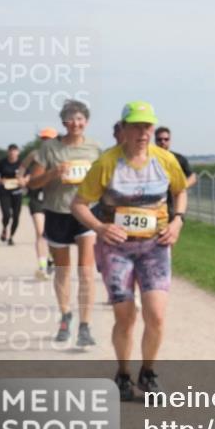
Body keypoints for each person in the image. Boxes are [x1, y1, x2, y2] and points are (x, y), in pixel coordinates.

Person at [70, 101, 187, 401]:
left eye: (147, 126)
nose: (143, 132)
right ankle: (123, 373)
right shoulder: (107, 163)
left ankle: (147, 373)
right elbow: (78, 204)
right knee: (125, 317)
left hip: (155, 247)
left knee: (156, 316)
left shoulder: (165, 160)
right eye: (135, 126)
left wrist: (177, 221)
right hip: (116, 250)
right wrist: (100, 227)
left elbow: (180, 191)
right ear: (122, 129)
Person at [27, 100, 102, 347]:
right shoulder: (49, 148)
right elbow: (33, 183)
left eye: (80, 119)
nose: (76, 123)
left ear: (86, 122)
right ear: (63, 122)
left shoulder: (94, 148)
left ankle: (85, 325)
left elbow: (103, 179)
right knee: (63, 269)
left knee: (86, 271)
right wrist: (53, 174)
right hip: (57, 212)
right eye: (70, 119)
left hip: (85, 212)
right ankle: (65, 315)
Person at [21, 128, 58, 279]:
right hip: (36, 198)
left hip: (55, 199)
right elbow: (22, 168)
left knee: (54, 235)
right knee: (40, 232)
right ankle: (42, 268)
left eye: (49, 138)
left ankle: (51, 260)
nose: (46, 141)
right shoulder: (34, 154)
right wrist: (21, 179)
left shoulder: (61, 155)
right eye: (43, 138)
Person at [154, 126, 196, 216]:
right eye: (159, 139)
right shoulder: (149, 157)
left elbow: (192, 177)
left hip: (172, 204)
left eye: (166, 139)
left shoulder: (178, 158)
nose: (163, 142)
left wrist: (180, 188)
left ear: (170, 140)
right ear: (155, 140)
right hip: (153, 203)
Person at [0, 144, 26, 245]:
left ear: (18, 152)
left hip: (17, 191)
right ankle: (4, 228)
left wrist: (23, 180)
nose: (12, 152)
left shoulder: (22, 164)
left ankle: (11, 237)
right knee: (6, 214)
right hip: (4, 191)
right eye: (10, 150)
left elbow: (28, 175)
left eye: (14, 150)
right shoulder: (1, 163)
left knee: (16, 216)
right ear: (8, 152)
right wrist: (0, 179)